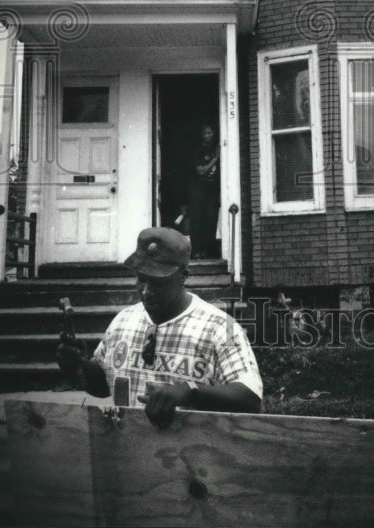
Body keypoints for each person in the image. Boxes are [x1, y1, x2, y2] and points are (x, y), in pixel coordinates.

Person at [56, 227, 262, 426]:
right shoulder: (123, 321)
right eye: (141, 279)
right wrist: (80, 364)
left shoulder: (220, 327)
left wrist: (190, 391)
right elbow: (103, 387)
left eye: (158, 282)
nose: (146, 291)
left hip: (191, 456)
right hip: (126, 452)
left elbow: (250, 398)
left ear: (184, 276)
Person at [187, 125, 220, 259]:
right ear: (202, 135)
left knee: (211, 220)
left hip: (212, 189)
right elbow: (201, 170)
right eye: (206, 133)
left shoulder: (216, 149)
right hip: (198, 189)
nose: (208, 135)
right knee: (197, 220)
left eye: (210, 133)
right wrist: (216, 158)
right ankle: (196, 251)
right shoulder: (198, 150)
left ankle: (207, 252)